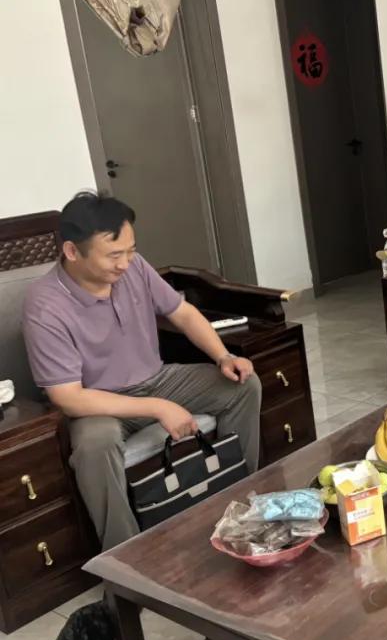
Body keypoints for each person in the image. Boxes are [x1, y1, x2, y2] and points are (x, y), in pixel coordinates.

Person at [22, 192, 261, 550]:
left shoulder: (134, 267)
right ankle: (126, 557)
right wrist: (157, 407)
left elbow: (182, 313)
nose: (125, 263)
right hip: (99, 403)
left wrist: (223, 356)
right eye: (113, 255)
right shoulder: (44, 306)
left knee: (243, 385)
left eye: (130, 250)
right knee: (94, 445)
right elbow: (67, 397)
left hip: (158, 380)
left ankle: (239, 507)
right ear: (72, 251)